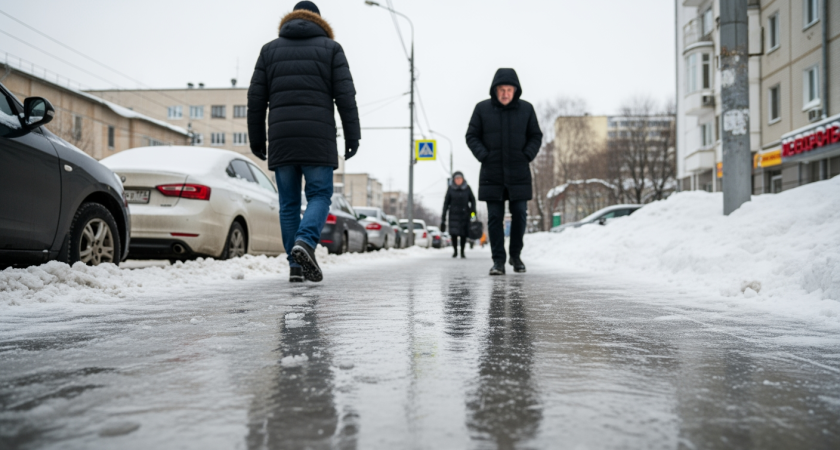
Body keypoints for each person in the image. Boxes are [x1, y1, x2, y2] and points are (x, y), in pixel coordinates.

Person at [248, 1, 360, 283]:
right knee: (320, 196)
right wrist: (352, 136)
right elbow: (346, 98)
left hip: (282, 139)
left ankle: (295, 267)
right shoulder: (331, 49)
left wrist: (257, 139)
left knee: (288, 204)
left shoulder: (269, 50)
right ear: (319, 22)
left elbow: (256, 100)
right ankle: (306, 243)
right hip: (318, 140)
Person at [465, 68, 542, 276]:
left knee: (520, 214)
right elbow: (471, 135)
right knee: (494, 217)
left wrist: (526, 155)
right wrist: (484, 155)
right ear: (495, 90)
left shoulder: (527, 109)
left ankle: (515, 256)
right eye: (502, 89)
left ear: (515, 91)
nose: (506, 93)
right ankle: (498, 261)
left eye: (509, 89)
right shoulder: (482, 109)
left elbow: (536, 135)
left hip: (519, 172)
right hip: (492, 173)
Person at [441, 171, 476, 259]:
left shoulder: (467, 188)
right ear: (454, 180)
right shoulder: (450, 189)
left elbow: (473, 201)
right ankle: (455, 251)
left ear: (463, 179)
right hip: (453, 214)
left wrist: (473, 214)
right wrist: (443, 217)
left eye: (460, 178)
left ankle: (462, 252)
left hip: (465, 214)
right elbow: (446, 203)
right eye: (457, 178)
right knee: (454, 234)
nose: (458, 180)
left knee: (463, 234)